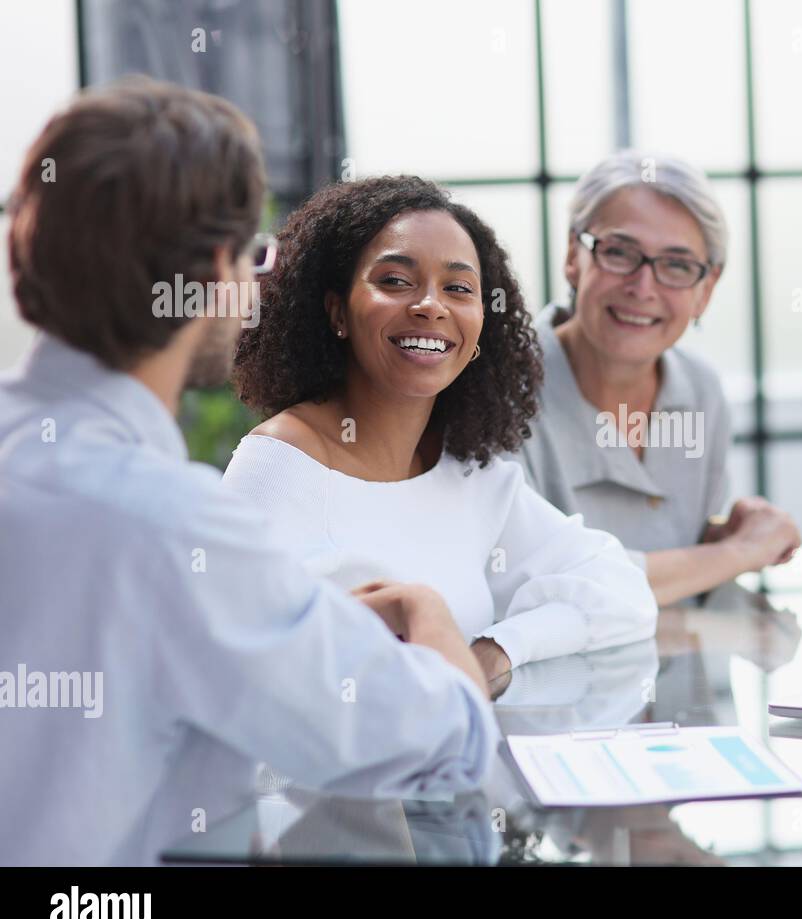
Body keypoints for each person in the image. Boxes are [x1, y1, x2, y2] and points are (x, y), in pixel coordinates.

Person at [0, 80, 503, 866]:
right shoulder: (169, 527)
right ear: (214, 269)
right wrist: (428, 613)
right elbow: (446, 738)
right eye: (254, 253)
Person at [223, 176, 657, 687]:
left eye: (458, 288)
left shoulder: (467, 472)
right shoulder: (279, 464)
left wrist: (493, 652)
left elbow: (621, 591)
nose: (432, 305)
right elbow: (245, 672)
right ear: (337, 310)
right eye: (395, 281)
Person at [512, 150, 801, 606]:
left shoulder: (701, 388)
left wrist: (723, 535)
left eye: (678, 265)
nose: (642, 288)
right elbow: (555, 584)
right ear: (574, 255)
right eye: (620, 253)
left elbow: (671, 550)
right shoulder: (502, 392)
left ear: (706, 289)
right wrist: (741, 550)